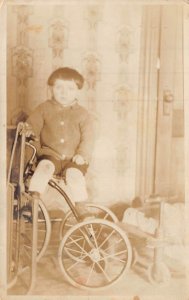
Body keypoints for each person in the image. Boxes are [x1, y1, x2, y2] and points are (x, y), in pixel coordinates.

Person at [25, 67, 95, 220]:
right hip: (50, 156)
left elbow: (88, 138)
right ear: (51, 88)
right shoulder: (43, 109)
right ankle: (32, 201)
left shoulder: (83, 114)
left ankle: (81, 206)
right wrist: (33, 144)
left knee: (75, 175)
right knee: (44, 168)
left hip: (74, 159)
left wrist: (82, 154)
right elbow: (31, 129)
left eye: (70, 88)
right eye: (59, 87)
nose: (64, 92)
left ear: (77, 91)